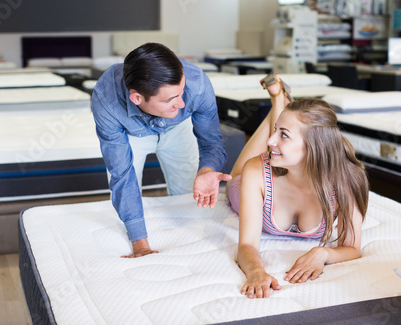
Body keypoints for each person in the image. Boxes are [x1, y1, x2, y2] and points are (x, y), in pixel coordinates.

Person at [226, 74, 369, 299]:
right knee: (235, 176)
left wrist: (323, 253)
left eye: (283, 135)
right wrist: (256, 272)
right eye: (276, 131)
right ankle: (278, 103)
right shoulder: (256, 171)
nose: (271, 141)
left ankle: (279, 102)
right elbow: (246, 245)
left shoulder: (347, 180)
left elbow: (352, 248)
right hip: (247, 185)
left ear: (315, 146)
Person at [92, 43, 231, 258]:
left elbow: (211, 141)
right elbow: (122, 174)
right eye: (170, 99)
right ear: (137, 98)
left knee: (187, 194)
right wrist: (140, 243)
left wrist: (206, 169)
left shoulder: (197, 84)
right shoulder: (107, 100)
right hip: (131, 133)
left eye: (182, 92)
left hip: (177, 127)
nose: (182, 102)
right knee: (125, 183)